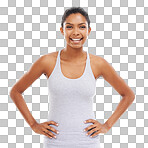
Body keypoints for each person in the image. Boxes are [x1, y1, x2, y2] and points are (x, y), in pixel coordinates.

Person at [9, 7, 135, 148]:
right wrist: (33, 124)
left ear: (88, 31)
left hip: (88, 142)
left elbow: (128, 95)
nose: (76, 32)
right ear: (62, 30)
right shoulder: (47, 61)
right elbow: (16, 91)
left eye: (82, 27)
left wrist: (107, 125)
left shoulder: (98, 64)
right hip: (54, 142)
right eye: (69, 27)